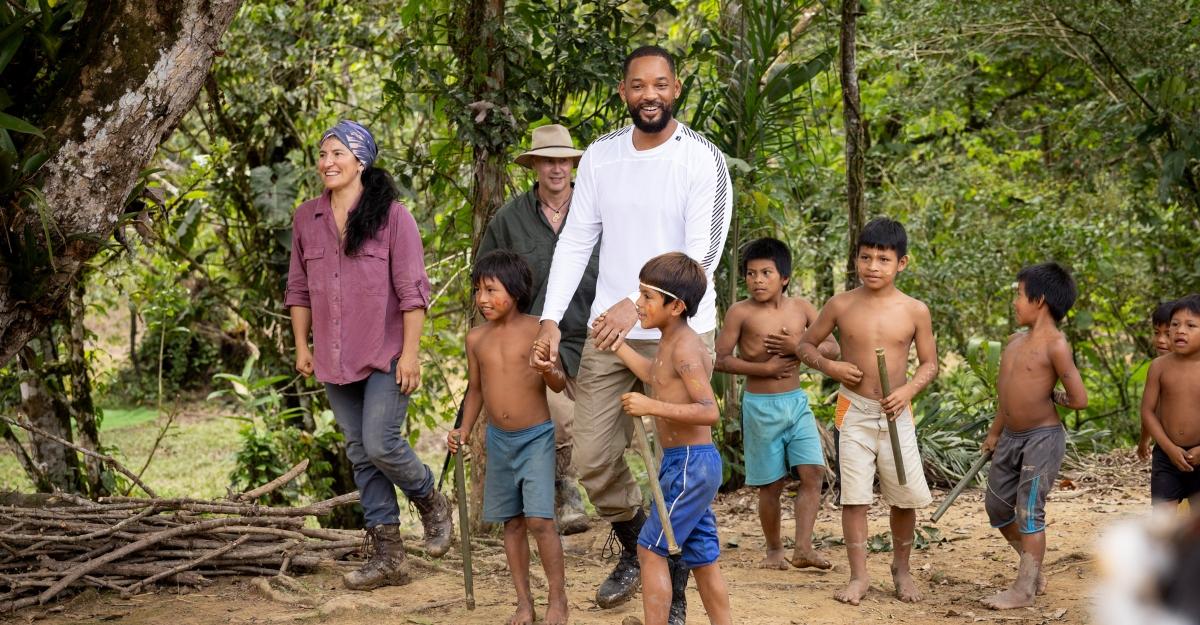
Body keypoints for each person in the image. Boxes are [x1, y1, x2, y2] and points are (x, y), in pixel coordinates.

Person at [530, 45, 733, 620]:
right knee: (592, 458)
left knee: (680, 465)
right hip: (611, 332)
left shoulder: (703, 159)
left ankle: (671, 576)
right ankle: (643, 541)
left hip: (678, 333)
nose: (651, 95)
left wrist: (635, 302)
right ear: (624, 91)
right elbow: (576, 241)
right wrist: (550, 316)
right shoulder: (599, 156)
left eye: (662, 85)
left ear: (677, 89)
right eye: (639, 86)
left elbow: (702, 256)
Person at [285, 120, 451, 590]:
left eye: (338, 153)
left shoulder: (394, 217)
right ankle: (388, 554)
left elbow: (413, 292)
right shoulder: (306, 218)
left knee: (380, 442)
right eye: (322, 154)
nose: (328, 163)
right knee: (359, 452)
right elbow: (298, 289)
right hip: (334, 359)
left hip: (385, 354)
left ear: (361, 161)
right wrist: (302, 345)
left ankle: (431, 501)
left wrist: (411, 355)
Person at [797, 217, 937, 606]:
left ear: (902, 263)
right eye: (865, 257)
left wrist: (907, 391)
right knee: (855, 496)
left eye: (883, 259)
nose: (873, 266)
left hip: (896, 413)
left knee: (905, 496)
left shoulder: (914, 311)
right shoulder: (841, 304)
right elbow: (806, 346)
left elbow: (929, 364)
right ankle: (859, 577)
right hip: (852, 410)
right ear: (856, 259)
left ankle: (902, 569)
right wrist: (832, 367)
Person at [477, 124, 596, 535]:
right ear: (535, 166)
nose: (556, 168)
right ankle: (564, 492)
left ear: (572, 164)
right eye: (548, 160)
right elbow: (488, 280)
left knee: (604, 428)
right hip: (540, 336)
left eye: (563, 160)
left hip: (599, 331)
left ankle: (628, 515)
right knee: (559, 417)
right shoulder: (509, 220)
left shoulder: (596, 207)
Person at [447, 250, 569, 625]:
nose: (482, 299)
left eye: (490, 290)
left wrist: (548, 369)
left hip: (536, 437)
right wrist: (463, 430)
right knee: (512, 523)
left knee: (540, 520)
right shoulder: (476, 339)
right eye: (477, 291)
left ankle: (558, 598)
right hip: (499, 441)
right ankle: (523, 602)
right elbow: (476, 390)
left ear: (515, 291)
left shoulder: (538, 329)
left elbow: (560, 382)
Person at [612, 253, 731, 625]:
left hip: (691, 464)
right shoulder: (669, 340)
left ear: (676, 306)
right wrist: (617, 344)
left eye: (648, 297)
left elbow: (709, 410)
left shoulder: (686, 347)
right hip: (682, 464)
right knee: (703, 557)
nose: (639, 304)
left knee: (649, 549)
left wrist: (651, 405)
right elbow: (655, 375)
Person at [713, 237, 838, 571]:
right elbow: (720, 359)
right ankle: (773, 551)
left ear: (784, 277)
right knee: (771, 484)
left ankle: (804, 548)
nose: (757, 280)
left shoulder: (802, 308)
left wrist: (798, 345)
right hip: (760, 406)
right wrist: (763, 368)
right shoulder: (740, 312)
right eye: (751, 274)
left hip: (796, 403)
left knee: (812, 473)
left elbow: (833, 349)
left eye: (766, 272)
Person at [978, 262, 1088, 609]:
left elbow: (1079, 399)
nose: (1015, 302)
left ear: (1039, 300)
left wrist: (1055, 397)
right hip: (1009, 436)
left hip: (1042, 438)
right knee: (997, 506)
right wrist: (995, 433)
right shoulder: (1014, 342)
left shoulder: (1056, 346)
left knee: (1028, 511)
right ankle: (1033, 568)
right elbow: (1006, 395)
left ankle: (1024, 588)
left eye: (1019, 295)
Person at [1141, 293, 1200, 511]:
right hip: (1166, 456)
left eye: (1191, 325)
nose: (1180, 330)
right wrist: (1169, 448)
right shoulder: (1159, 366)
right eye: (1175, 324)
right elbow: (1147, 411)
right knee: (1162, 524)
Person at [1137, 300, 1176, 461]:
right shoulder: (1157, 368)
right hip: (1165, 447)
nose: (1160, 340)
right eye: (1156, 333)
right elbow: (1149, 409)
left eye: (1167, 334)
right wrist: (1145, 439)